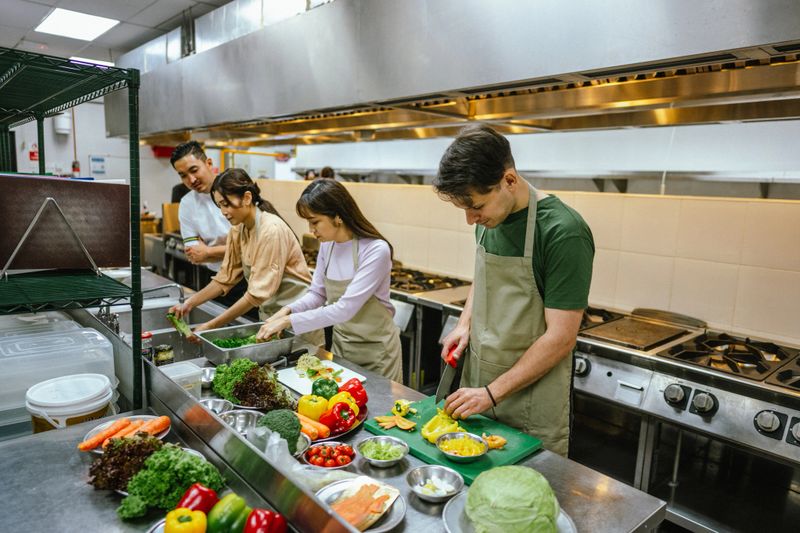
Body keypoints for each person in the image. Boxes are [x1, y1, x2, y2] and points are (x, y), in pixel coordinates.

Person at [435, 125, 594, 456]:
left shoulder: (563, 232)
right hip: (479, 387)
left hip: (528, 403)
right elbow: (483, 274)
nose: (469, 219)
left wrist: (492, 393)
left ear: (508, 180)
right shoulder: (489, 220)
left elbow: (562, 338)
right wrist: (465, 323)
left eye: (475, 207)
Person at [256, 179, 403, 383]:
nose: (311, 229)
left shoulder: (375, 250)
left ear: (338, 217)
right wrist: (287, 310)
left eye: (315, 222)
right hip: (342, 346)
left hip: (377, 352)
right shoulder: (328, 245)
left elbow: (344, 309)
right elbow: (318, 294)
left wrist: (289, 321)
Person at [169, 169, 315, 333]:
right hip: (270, 319)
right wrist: (189, 303)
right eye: (219, 206)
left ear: (247, 198)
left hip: (297, 319)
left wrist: (211, 325)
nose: (223, 212)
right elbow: (225, 278)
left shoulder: (271, 229)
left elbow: (255, 295)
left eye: (226, 204)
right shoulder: (238, 230)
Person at [170, 141, 229, 270]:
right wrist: (230, 250)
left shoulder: (233, 189)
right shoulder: (187, 203)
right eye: (183, 175)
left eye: (194, 170)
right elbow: (194, 255)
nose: (191, 180)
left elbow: (252, 246)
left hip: (251, 274)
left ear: (208, 163)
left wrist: (208, 252)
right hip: (218, 275)